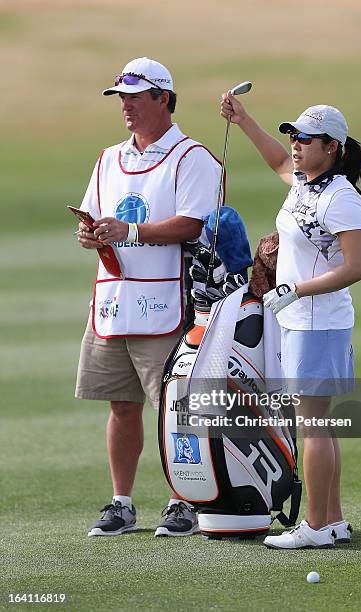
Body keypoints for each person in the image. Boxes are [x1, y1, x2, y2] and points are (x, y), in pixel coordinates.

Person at [75, 57, 221, 538]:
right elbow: (96, 216)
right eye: (121, 98)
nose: (126, 107)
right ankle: (121, 502)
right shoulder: (108, 157)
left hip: (165, 302)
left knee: (172, 408)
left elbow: (191, 224)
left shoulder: (191, 157)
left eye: (135, 97)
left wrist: (130, 230)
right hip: (114, 303)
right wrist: (91, 235)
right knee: (120, 405)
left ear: (163, 98)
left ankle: (185, 499)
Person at [220, 95, 361, 549]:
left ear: (332, 147)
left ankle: (316, 526)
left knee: (313, 428)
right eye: (294, 135)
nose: (296, 144)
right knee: (319, 425)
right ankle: (334, 519)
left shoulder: (340, 197)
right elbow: (279, 159)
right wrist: (244, 120)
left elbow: (356, 267)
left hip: (318, 320)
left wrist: (296, 290)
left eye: (306, 138)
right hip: (301, 320)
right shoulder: (305, 182)